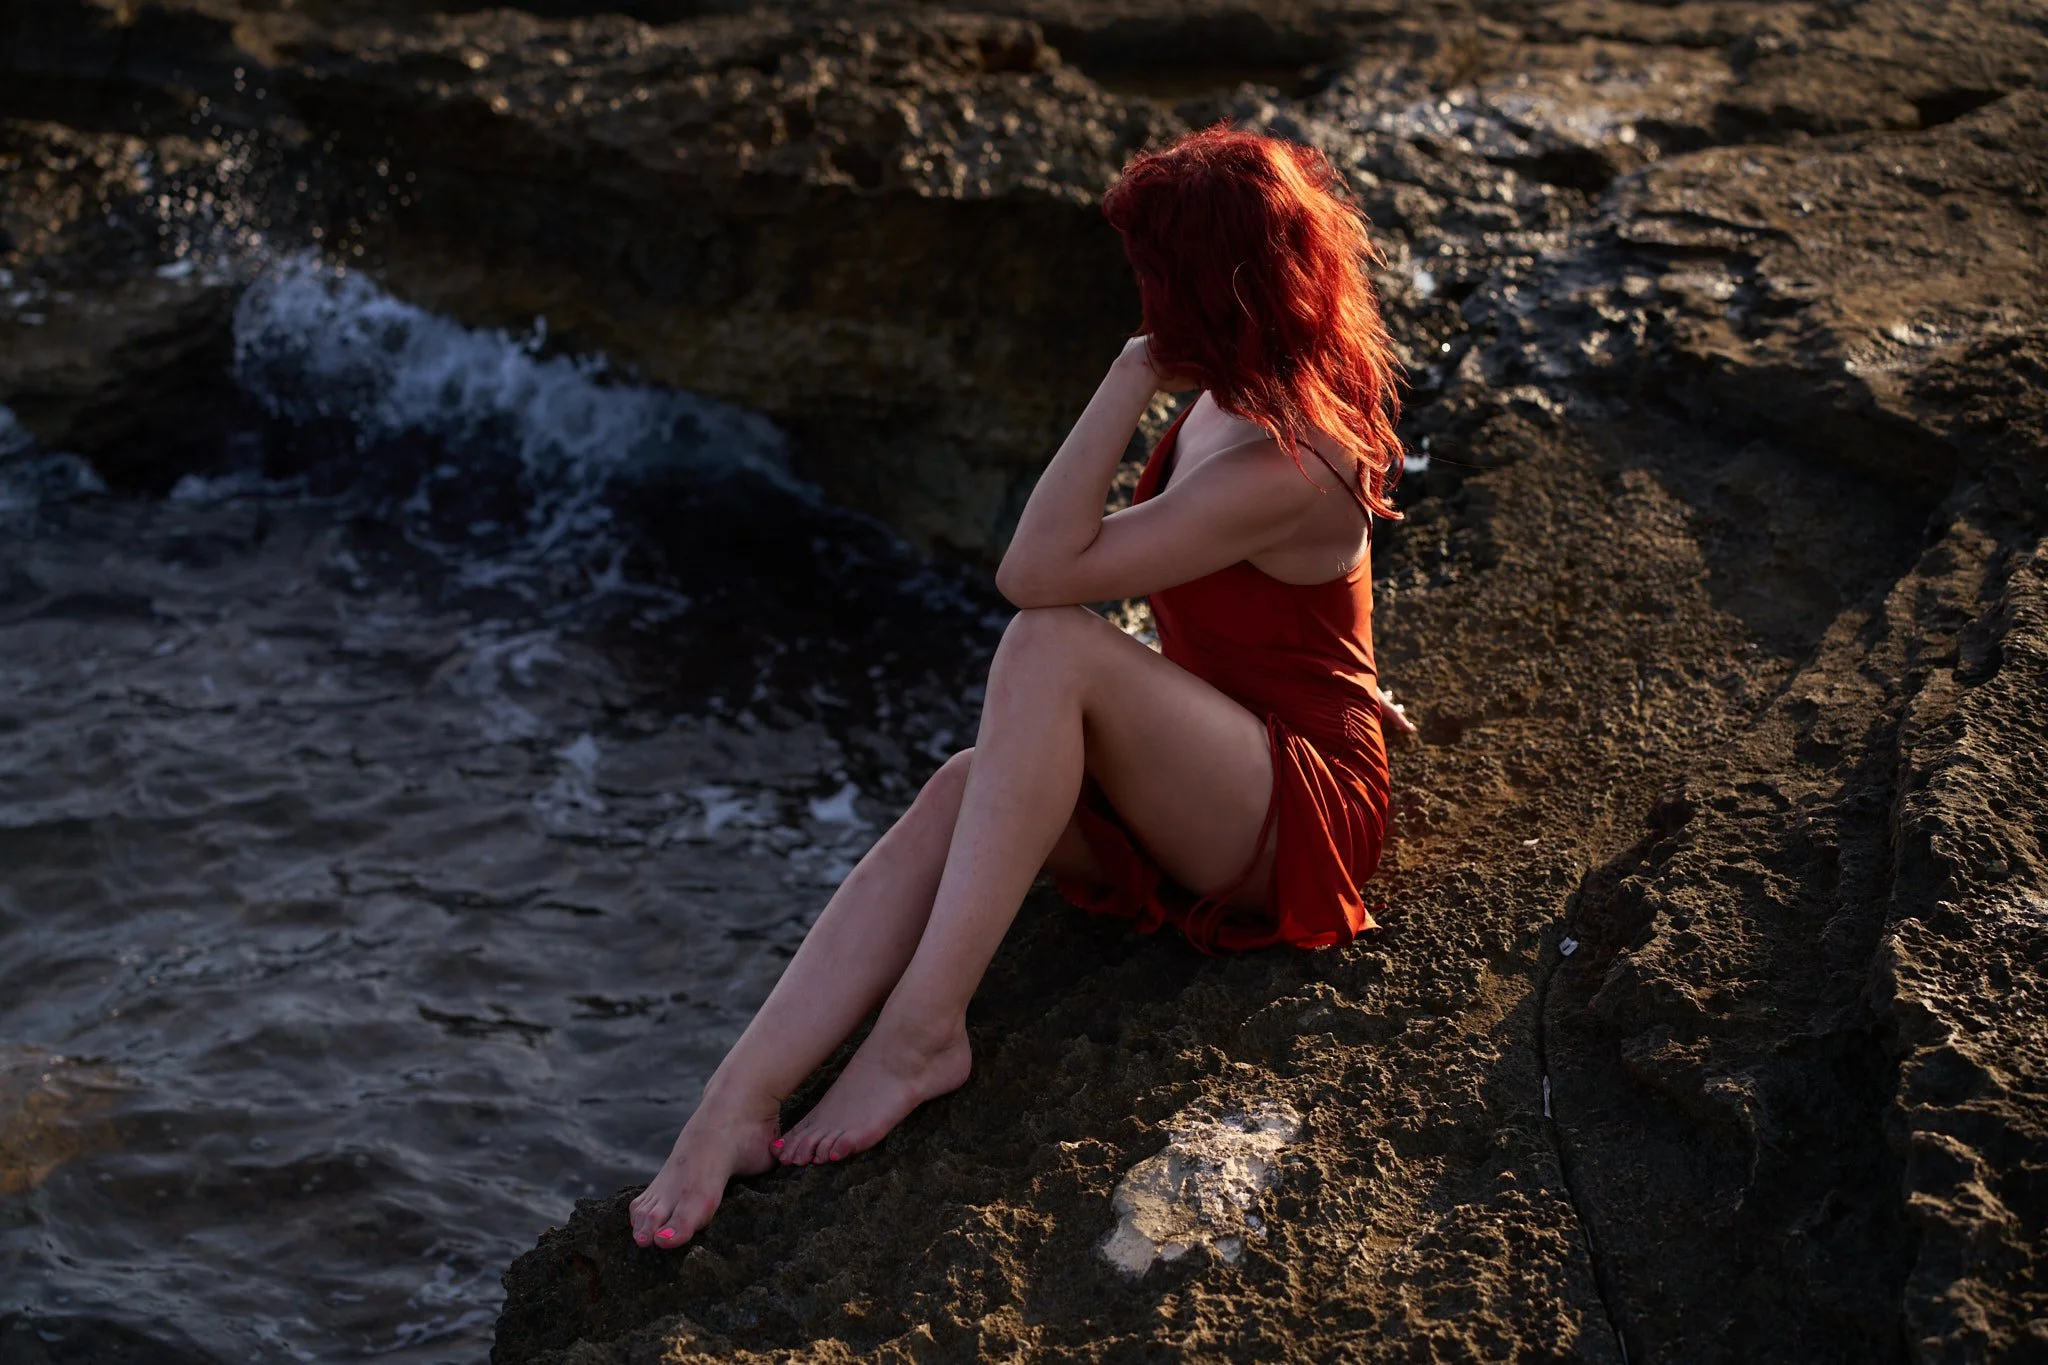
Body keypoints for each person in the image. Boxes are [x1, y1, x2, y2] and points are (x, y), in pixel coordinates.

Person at [628, 126, 1414, 1251]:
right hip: (1220, 760)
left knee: (1046, 644)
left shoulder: (1286, 454)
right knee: (964, 786)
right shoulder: (1232, 400)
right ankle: (729, 1107)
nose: (1138, 294)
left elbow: (1034, 575)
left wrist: (1126, 372)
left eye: (1152, 273)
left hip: (1293, 816)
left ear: (1201, 283)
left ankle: (919, 1036)